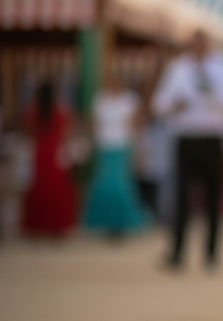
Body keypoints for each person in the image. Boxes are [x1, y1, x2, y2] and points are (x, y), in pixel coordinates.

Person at [152, 31, 223, 268]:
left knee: (214, 197)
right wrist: (174, 105)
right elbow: (159, 103)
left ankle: (211, 254)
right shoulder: (178, 68)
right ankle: (177, 252)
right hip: (187, 138)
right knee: (181, 197)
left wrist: (211, 93)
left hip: (213, 138)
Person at [82, 70, 148, 237]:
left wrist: (139, 147)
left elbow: (138, 124)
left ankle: (123, 221)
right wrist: (90, 143)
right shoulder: (100, 99)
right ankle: (104, 221)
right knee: (104, 183)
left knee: (121, 184)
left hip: (122, 145)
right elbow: (93, 122)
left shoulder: (130, 99)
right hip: (104, 146)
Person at [19, 81, 78, 237]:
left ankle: (37, 225)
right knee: (57, 187)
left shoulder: (32, 111)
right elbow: (66, 131)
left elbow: (27, 130)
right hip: (54, 150)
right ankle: (57, 224)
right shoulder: (60, 111)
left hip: (40, 151)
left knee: (39, 187)